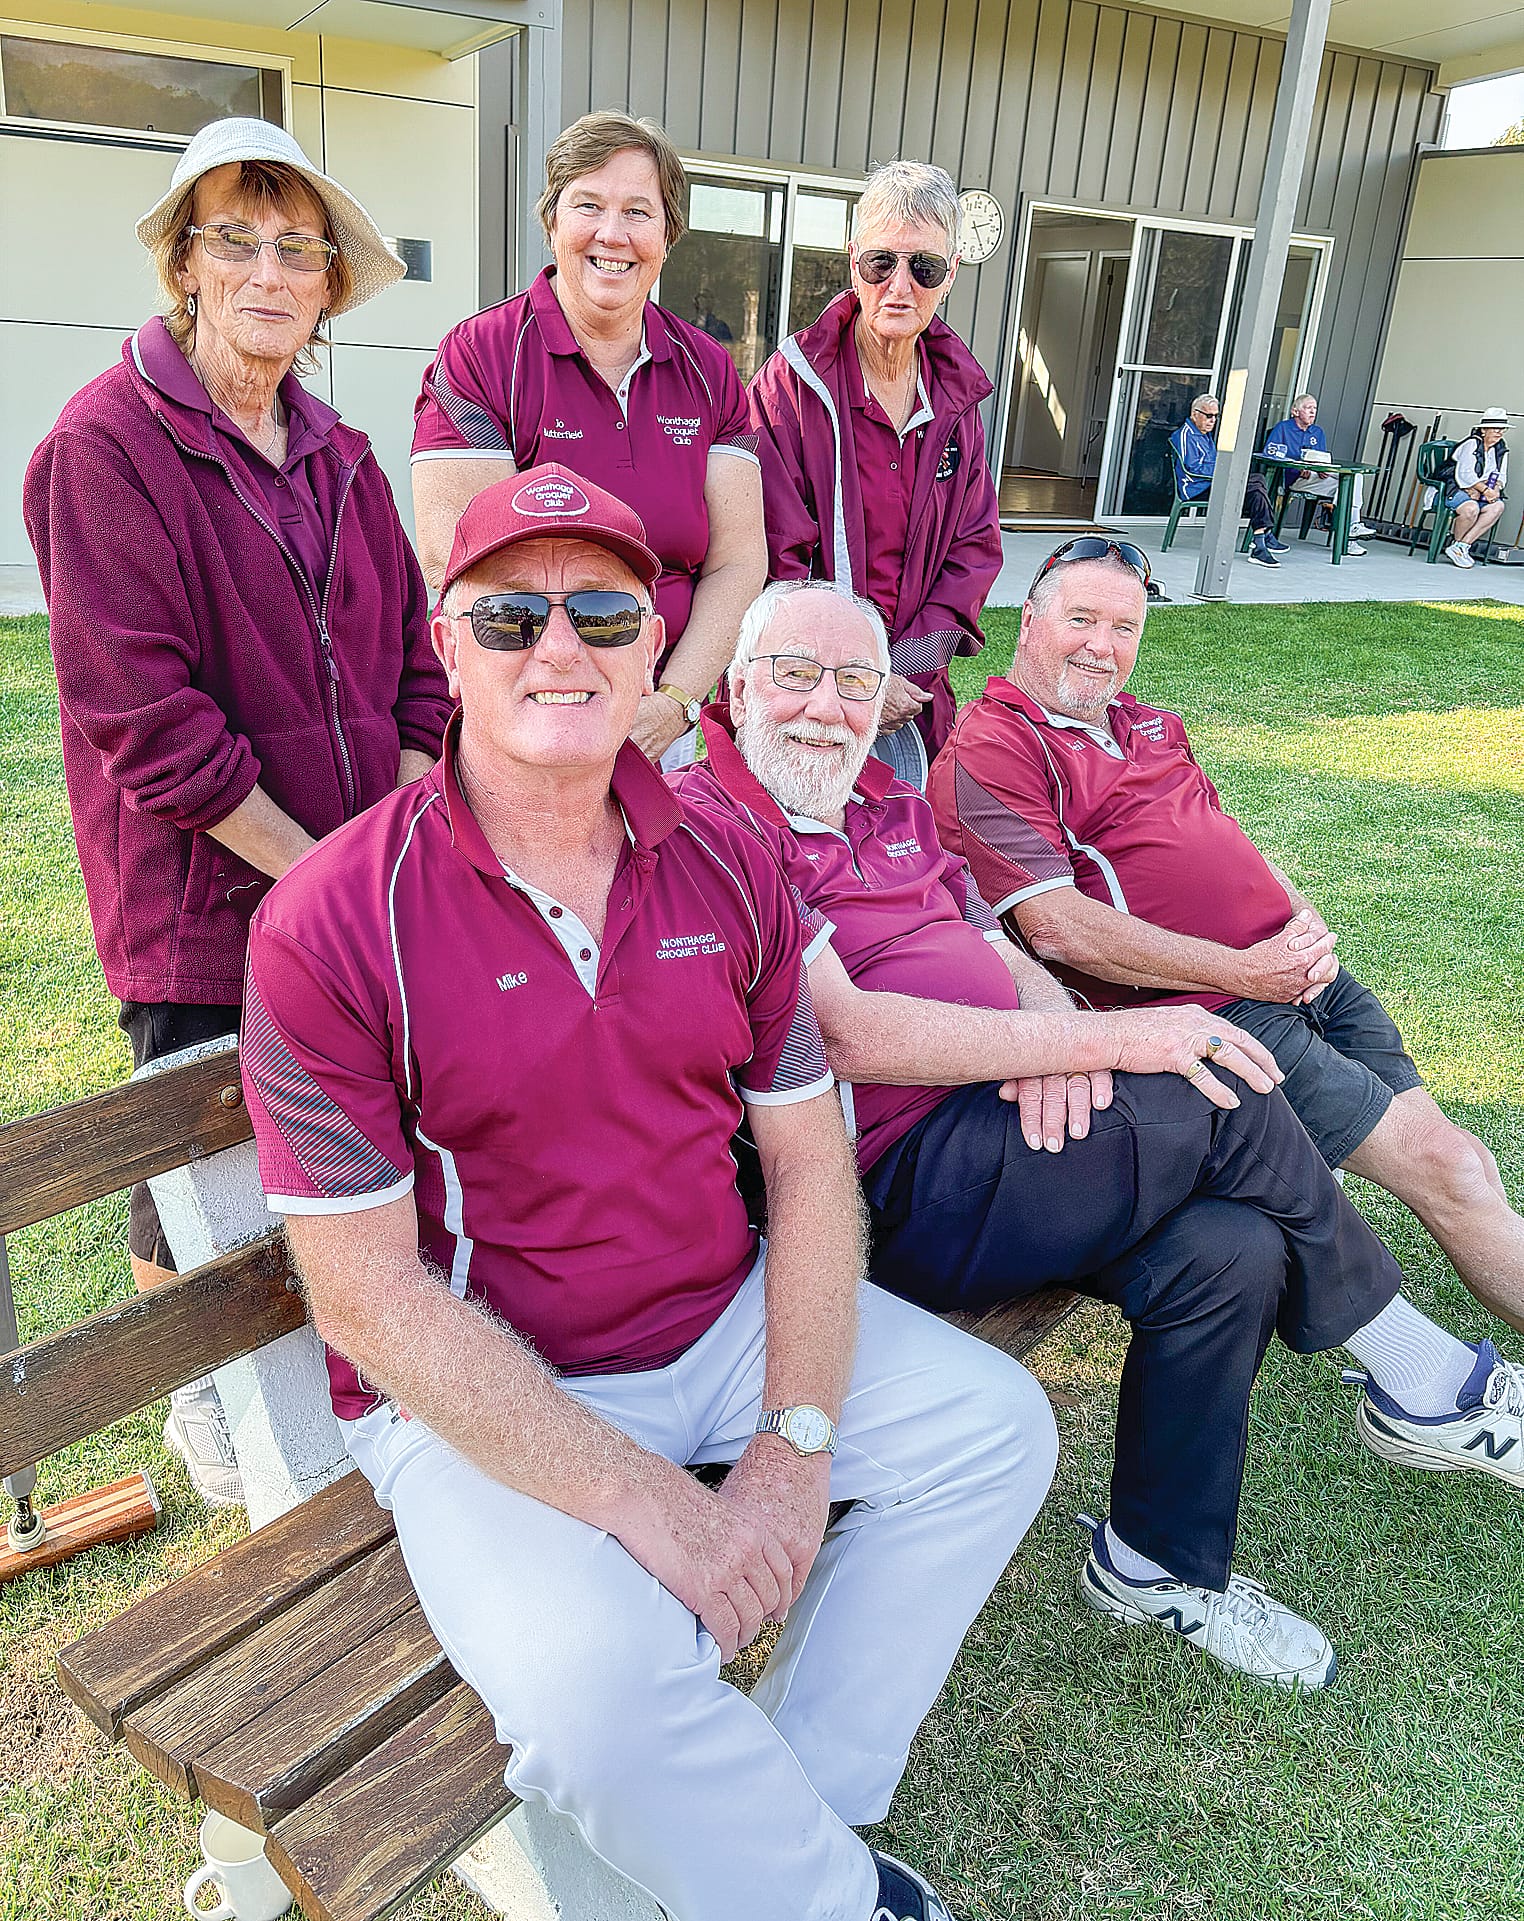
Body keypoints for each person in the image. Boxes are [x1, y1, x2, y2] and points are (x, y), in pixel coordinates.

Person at [239, 466, 1056, 1921]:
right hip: (486, 1380)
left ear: (654, 647)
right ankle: (832, 1900)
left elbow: (808, 1164)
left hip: (717, 1317)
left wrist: (794, 1443)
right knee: (598, 1704)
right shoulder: (336, 916)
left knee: (996, 1433)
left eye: (604, 614)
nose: (560, 647)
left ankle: (797, 1799)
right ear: (447, 646)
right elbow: (364, 1297)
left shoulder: (729, 861)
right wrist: (649, 1507)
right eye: (512, 615)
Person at [682, 576, 1524, 1692]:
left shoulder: (878, 796)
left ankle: (1152, 1564)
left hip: (1016, 1120)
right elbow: (845, 1031)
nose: (826, 707)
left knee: (1231, 1250)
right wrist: (1097, 1041)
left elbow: (990, 933)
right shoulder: (716, 819)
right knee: (1215, 1075)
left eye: (854, 682)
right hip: (897, 1177)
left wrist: (1052, 1028)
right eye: (795, 674)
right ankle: (1424, 1379)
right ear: (738, 687)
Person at [22, 118, 449, 1506]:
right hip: (203, 907)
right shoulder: (102, 448)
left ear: (330, 287)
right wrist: (325, 878)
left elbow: (415, 674)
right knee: (203, 1155)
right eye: (235, 241)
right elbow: (150, 726)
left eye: (299, 249)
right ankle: (206, 1402)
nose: (269, 271)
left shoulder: (342, 455)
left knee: (337, 1136)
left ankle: (345, 1365)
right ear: (185, 267)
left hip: (349, 888)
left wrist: (382, 859)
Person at [928, 538, 1524, 1345]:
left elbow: (1222, 834)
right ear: (1028, 621)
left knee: (1466, 1159)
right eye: (1081, 619)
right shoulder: (996, 743)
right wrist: (1248, 971)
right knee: (1446, 1169)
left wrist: (1303, 918)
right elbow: (1058, 928)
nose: (1102, 646)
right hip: (1216, 1008)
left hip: (1297, 977)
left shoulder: (1149, 723)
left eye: (1124, 628)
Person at [410, 110, 765, 769]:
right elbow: (460, 564)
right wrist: (573, 702)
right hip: (533, 707)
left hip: (664, 716)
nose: (612, 233)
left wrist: (673, 702)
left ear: (667, 235)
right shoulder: (481, 358)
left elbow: (739, 561)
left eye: (638, 211)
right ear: (552, 220)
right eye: (588, 205)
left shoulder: (710, 371)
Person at [748, 161, 1002, 785]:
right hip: (802, 696)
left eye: (925, 268)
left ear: (951, 275)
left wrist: (904, 668)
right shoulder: (789, 388)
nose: (900, 286)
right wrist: (853, 674)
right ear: (852, 259)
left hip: (912, 698)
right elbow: (770, 556)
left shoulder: (955, 399)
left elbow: (972, 552)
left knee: (904, 839)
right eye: (881, 262)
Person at [1170, 393, 1283, 567]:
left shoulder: (1204, 434)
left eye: (1216, 416)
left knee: (1257, 487)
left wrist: (1225, 472)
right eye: (1208, 416)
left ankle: (1260, 540)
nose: (1212, 420)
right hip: (1196, 488)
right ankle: (1263, 537)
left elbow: (1213, 462)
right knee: (1256, 484)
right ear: (1194, 414)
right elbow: (1192, 468)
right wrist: (1224, 472)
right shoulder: (1185, 435)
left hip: (1212, 483)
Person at [1262, 392, 1376, 551]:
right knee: (1346, 490)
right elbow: (1270, 453)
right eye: (1308, 408)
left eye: (1314, 408)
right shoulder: (1283, 428)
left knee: (1353, 479)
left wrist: (1324, 469)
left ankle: (1352, 530)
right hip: (1296, 478)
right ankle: (1348, 539)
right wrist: (1297, 467)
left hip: (1316, 477)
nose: (1312, 411)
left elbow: (1320, 457)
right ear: (1295, 411)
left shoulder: (1317, 432)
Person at [1444, 407, 1509, 569]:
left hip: (1481, 490)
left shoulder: (1500, 448)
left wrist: (1495, 490)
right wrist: (1484, 490)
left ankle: (1462, 546)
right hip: (1452, 488)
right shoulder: (1471, 444)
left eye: (1502, 429)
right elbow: (1465, 475)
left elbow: (1501, 475)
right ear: (1483, 430)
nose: (1500, 433)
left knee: (1498, 506)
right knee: (1470, 509)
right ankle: (1457, 546)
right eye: (1496, 428)